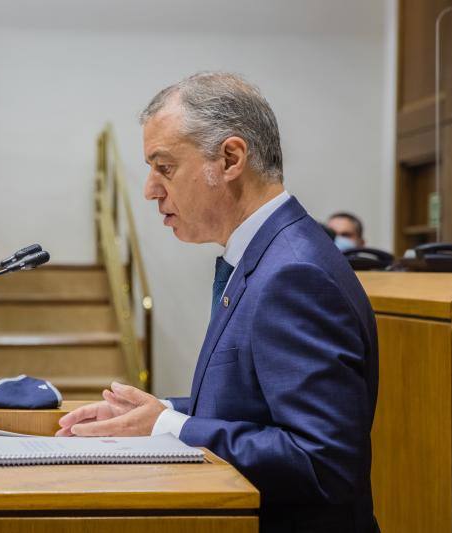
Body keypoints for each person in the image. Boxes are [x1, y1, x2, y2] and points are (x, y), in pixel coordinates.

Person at [57, 72, 379, 533]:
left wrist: (172, 426)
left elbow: (321, 462)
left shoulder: (293, 272)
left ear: (230, 158)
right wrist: (157, 413)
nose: (150, 189)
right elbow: (256, 408)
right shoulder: (264, 254)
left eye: (164, 167)